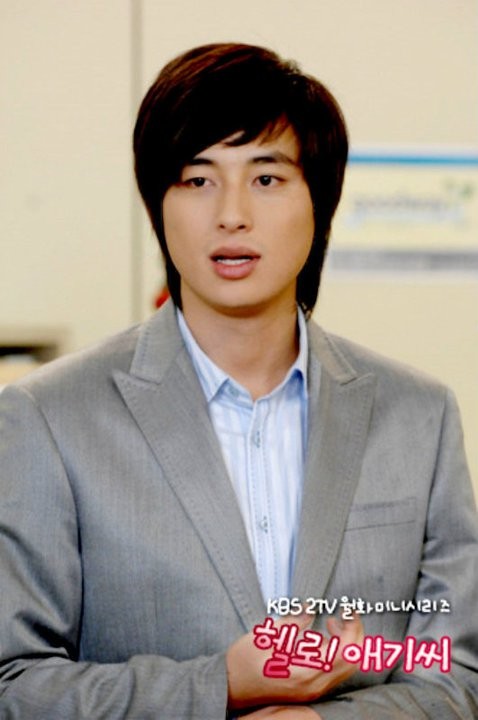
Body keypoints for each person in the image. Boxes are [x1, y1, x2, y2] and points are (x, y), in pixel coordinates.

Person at [0, 43, 477, 720]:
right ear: (157, 204)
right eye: (197, 180)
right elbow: (14, 683)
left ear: (320, 201)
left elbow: (454, 672)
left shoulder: (418, 416)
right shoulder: (46, 417)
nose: (231, 214)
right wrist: (218, 684)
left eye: (267, 178)